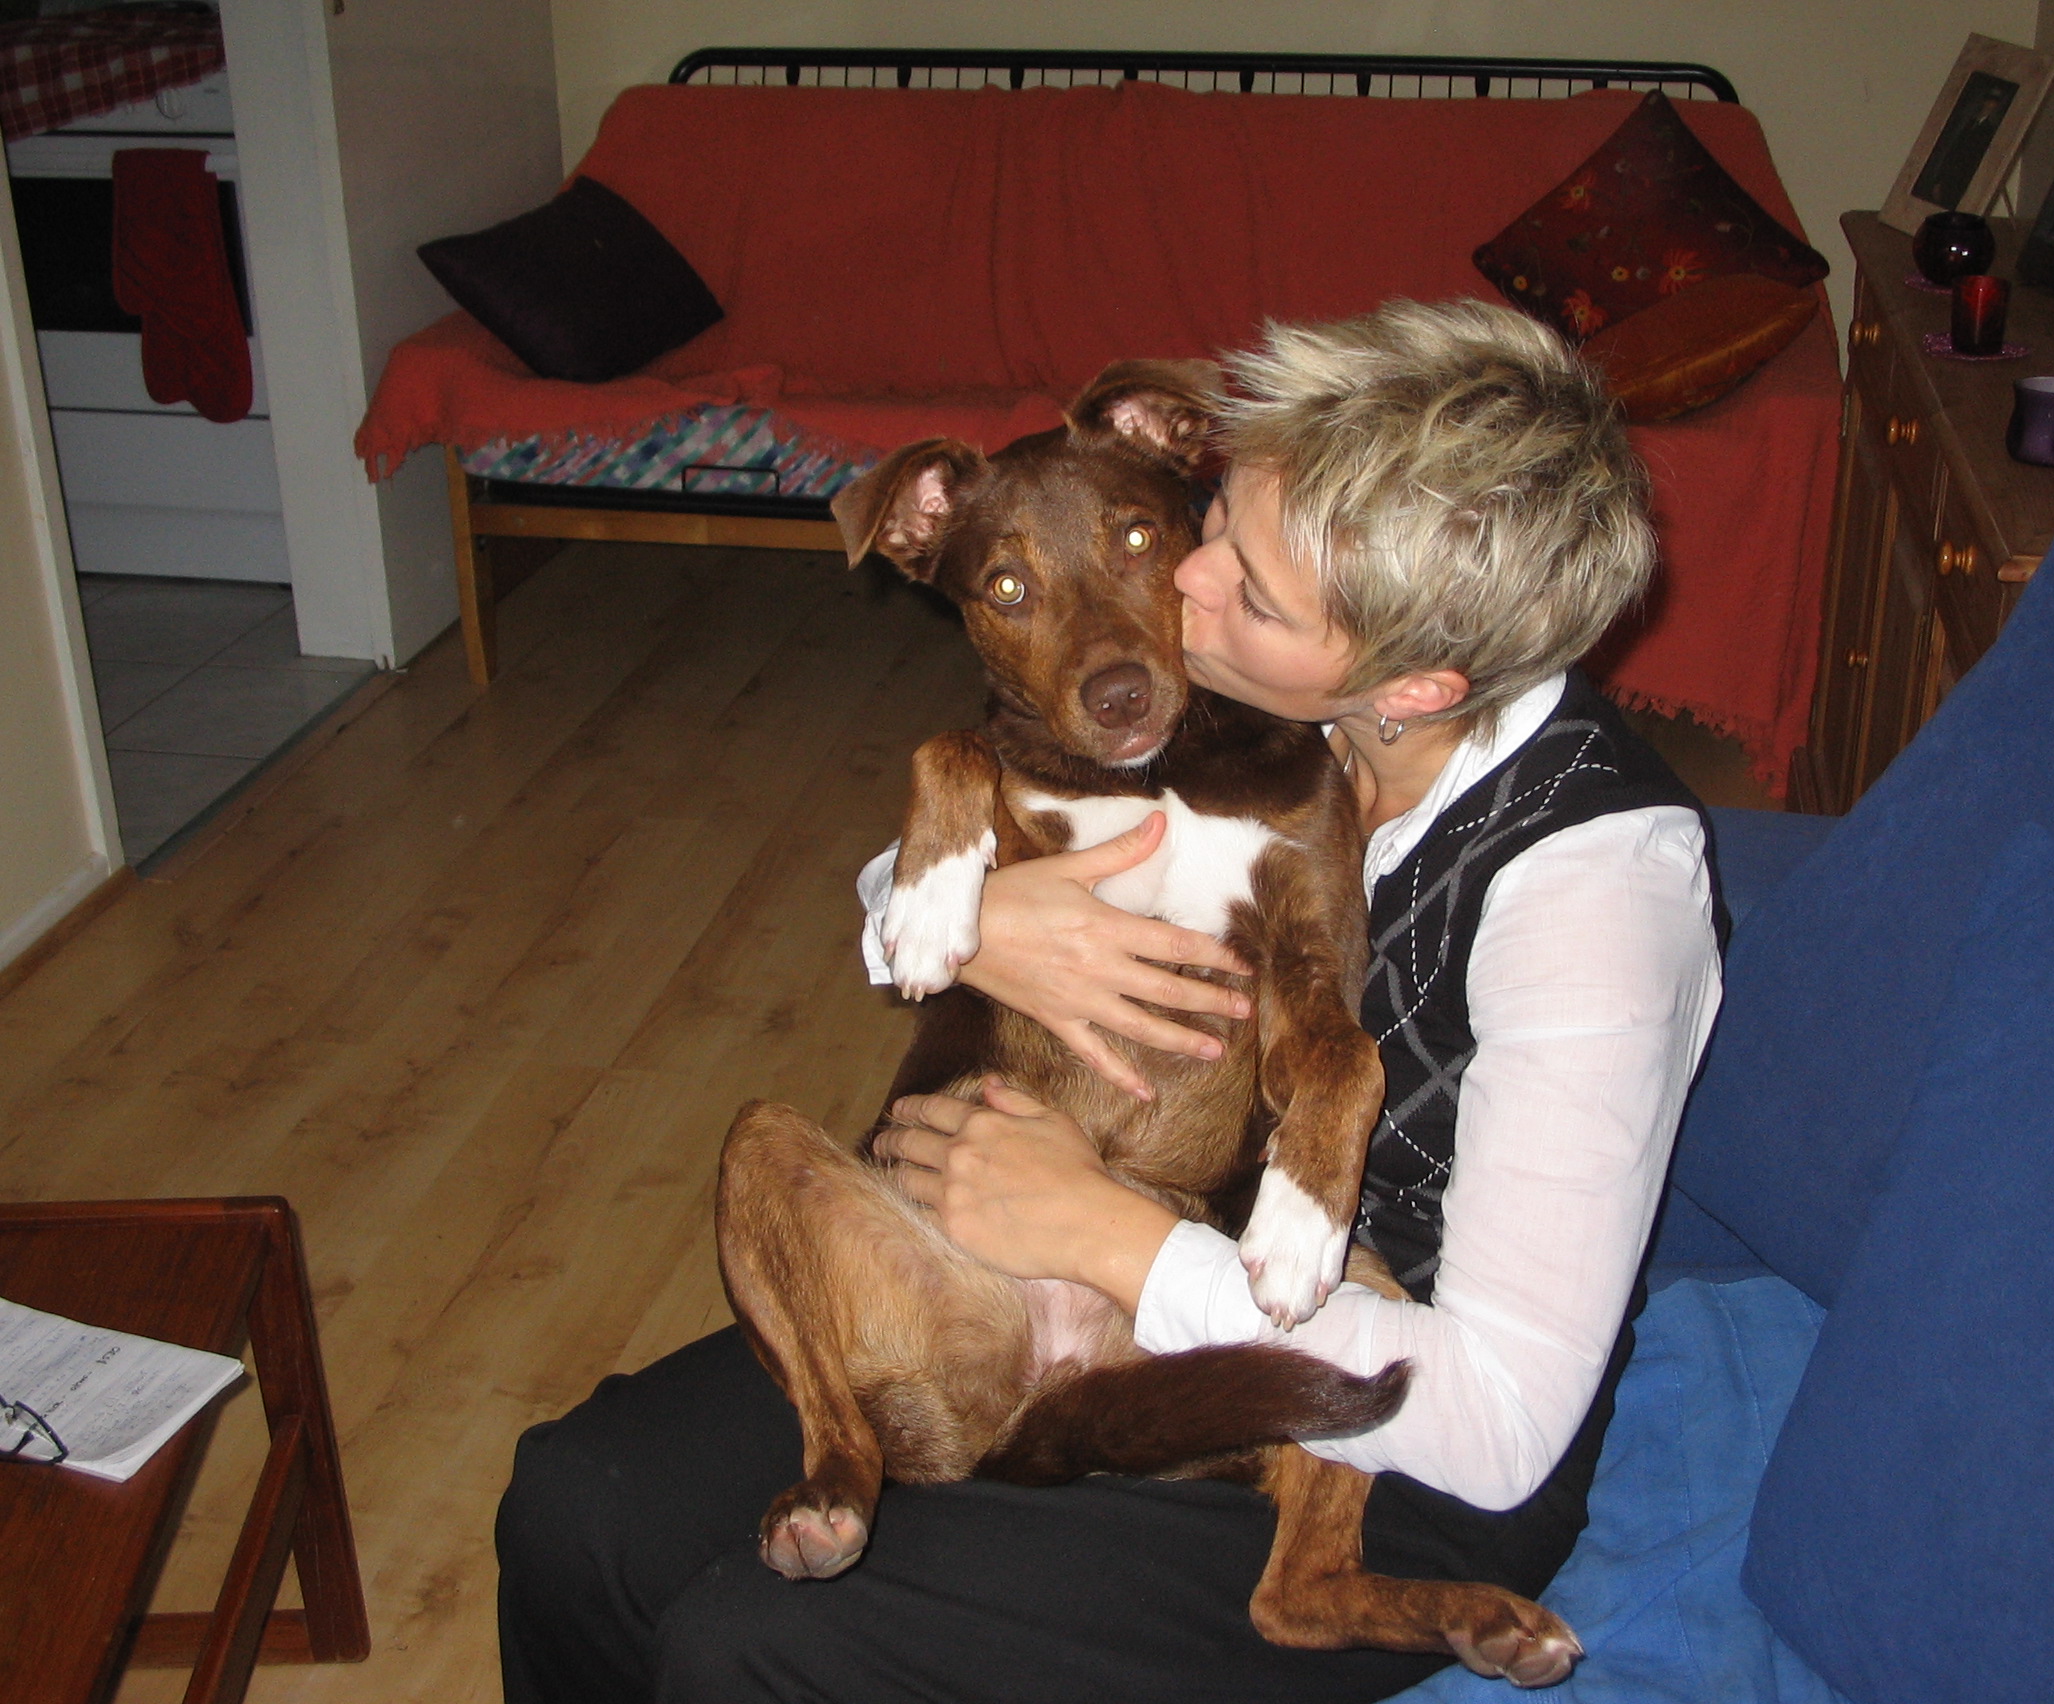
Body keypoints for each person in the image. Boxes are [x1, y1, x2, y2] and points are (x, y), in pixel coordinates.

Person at [495, 299, 1724, 1704]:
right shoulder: (1273, 704)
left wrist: (1103, 1232)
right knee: (574, 1504)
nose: (1183, 582)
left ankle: (1306, 1597)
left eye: (1248, 590)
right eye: (1213, 523)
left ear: (1415, 676)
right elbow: (975, 850)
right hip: (1046, 1255)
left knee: (749, 1645)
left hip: (1378, 1413)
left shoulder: (1602, 892)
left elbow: (1501, 1424)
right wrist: (973, 924)